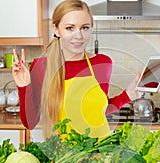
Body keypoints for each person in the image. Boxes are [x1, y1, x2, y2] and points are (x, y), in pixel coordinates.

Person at [12, 0, 140, 138]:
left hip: (101, 153)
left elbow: (98, 110)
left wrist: (127, 96)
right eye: (70, 28)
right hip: (65, 156)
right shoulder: (42, 67)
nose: (78, 36)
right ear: (56, 29)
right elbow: (30, 123)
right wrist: (23, 86)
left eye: (84, 28)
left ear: (92, 28)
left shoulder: (103, 63)